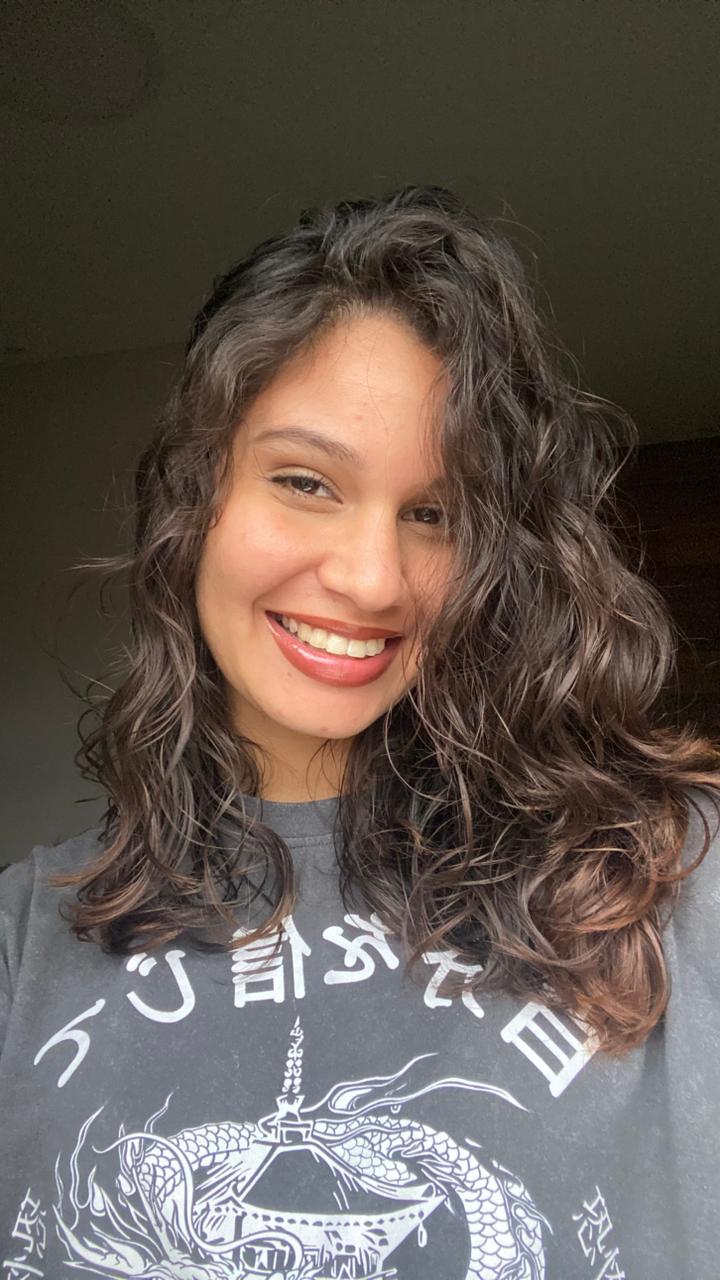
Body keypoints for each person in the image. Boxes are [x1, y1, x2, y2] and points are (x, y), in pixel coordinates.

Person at [1, 185, 718, 1280]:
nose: (372, 577)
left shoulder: (677, 884)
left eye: (435, 512)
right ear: (198, 501)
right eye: (305, 480)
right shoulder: (21, 947)